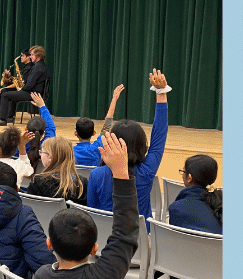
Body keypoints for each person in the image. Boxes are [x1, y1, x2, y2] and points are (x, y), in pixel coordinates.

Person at [33, 133, 144, 279]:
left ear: (49, 243)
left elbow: (125, 235)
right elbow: (126, 233)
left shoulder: (41, 276)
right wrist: (121, 173)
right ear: (95, 249)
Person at [87, 69, 169, 223]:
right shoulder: (146, 171)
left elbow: (93, 214)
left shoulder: (97, 175)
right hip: (140, 241)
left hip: (106, 241)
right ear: (141, 145)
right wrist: (161, 92)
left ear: (112, 142)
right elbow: (159, 136)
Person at [164, 154, 224, 279]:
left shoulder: (177, 208)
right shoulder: (222, 205)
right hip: (219, 278)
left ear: (189, 177)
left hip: (183, 278)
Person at [73, 84, 123, 166]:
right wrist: (114, 99)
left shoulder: (69, 152)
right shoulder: (98, 147)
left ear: (75, 133)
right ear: (94, 133)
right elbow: (107, 124)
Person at [0, 46, 50, 122]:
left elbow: (30, 85)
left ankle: (3, 120)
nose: (30, 57)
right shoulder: (42, 65)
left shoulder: (37, 67)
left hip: (32, 93)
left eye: (32, 55)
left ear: (38, 55)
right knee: (10, 93)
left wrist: (21, 89)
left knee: (5, 95)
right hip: (35, 92)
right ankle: (9, 117)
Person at [28, 136, 86, 203]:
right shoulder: (82, 182)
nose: (40, 155)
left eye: (42, 152)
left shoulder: (37, 181)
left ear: (50, 156)